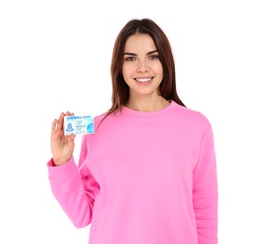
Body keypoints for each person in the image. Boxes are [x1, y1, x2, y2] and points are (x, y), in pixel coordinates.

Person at [47, 18, 218, 244]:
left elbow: (204, 211)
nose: (142, 67)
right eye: (131, 58)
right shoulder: (97, 129)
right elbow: (82, 215)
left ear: (165, 61)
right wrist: (62, 161)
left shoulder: (196, 127)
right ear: (120, 65)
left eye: (153, 56)